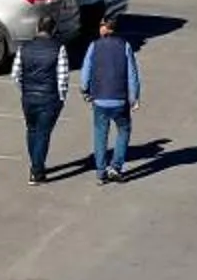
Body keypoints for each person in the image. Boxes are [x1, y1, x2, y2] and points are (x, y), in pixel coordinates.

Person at [76, 11, 141, 185]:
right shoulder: (125, 46)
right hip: (120, 99)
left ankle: (100, 171)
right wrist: (134, 97)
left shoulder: (94, 46)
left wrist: (85, 91)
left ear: (105, 27)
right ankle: (116, 166)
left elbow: (85, 72)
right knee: (124, 130)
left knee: (100, 134)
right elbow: (132, 74)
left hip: (99, 99)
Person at [14, 20, 68, 185]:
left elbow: (16, 74)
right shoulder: (58, 48)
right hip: (49, 97)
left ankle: (36, 164)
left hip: (28, 97)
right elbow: (63, 76)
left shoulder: (24, 48)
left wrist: (24, 90)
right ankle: (37, 171)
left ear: (37, 28)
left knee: (32, 130)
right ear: (53, 30)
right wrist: (62, 97)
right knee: (43, 133)